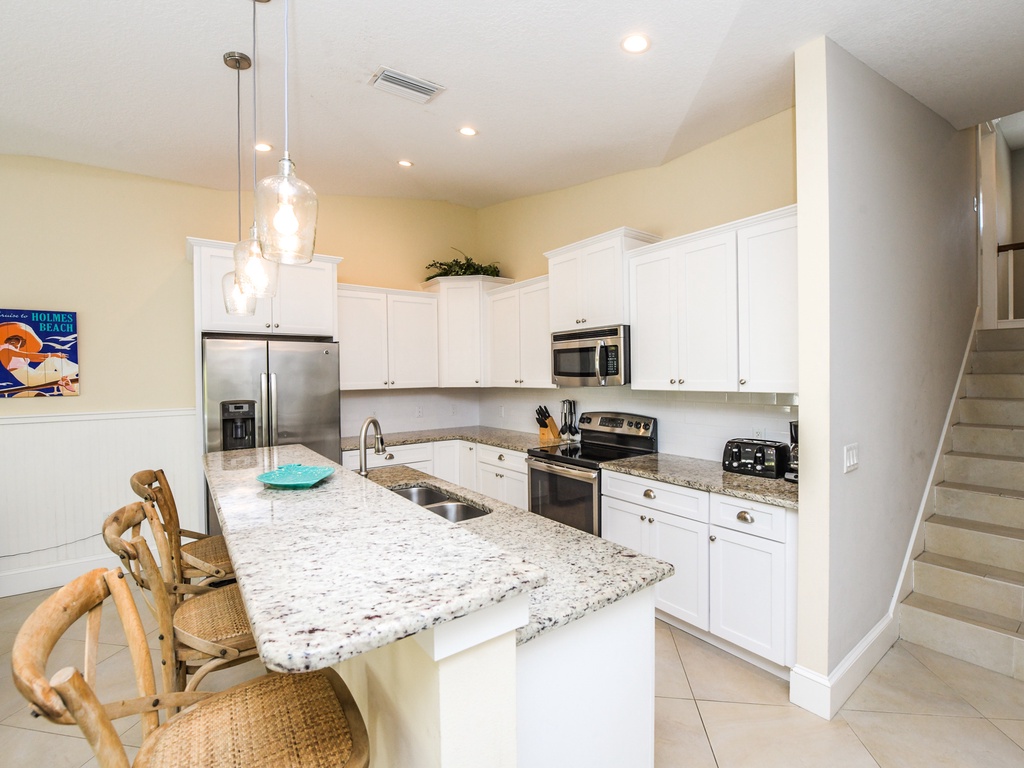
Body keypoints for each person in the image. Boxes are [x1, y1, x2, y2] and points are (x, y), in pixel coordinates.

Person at [0, 323, 78, 394]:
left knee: (54, 360)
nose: (16, 347)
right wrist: (51, 354)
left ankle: (68, 378)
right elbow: (29, 355)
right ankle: (68, 383)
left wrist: (53, 357)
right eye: (14, 344)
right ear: (8, 342)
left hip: (33, 374)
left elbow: (36, 358)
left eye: (18, 345)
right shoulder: (5, 350)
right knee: (62, 374)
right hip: (30, 378)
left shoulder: (14, 352)